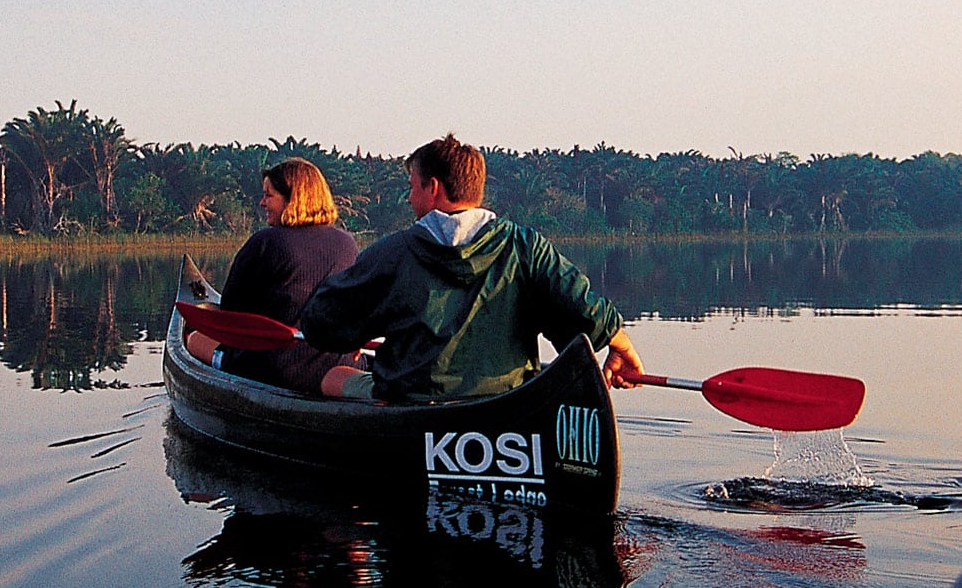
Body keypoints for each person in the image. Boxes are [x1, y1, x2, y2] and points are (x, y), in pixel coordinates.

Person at [299, 134, 644, 400]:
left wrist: (359, 331)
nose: (408, 198)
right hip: (507, 401)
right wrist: (621, 345)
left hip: (414, 403)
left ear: (432, 187)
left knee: (335, 376)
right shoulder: (524, 247)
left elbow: (320, 322)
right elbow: (585, 308)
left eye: (411, 187)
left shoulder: (392, 252)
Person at [186, 158, 360, 393]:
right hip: (339, 362)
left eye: (269, 196)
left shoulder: (266, 242)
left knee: (194, 339)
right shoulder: (348, 243)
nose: (262, 202)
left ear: (292, 200)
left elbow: (231, 311)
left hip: (277, 368)